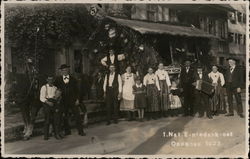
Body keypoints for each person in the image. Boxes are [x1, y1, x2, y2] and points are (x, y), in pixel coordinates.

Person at [54, 64, 86, 136]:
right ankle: (67, 131)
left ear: (68, 70)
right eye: (63, 70)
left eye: (66, 70)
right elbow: (54, 89)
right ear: (61, 71)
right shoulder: (58, 80)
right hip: (63, 101)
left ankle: (81, 131)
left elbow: (77, 91)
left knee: (77, 115)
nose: (65, 71)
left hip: (73, 100)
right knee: (65, 116)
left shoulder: (73, 79)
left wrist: (77, 99)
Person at [40, 76, 62, 140]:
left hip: (54, 103)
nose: (50, 81)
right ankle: (46, 135)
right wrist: (48, 102)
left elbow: (58, 96)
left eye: (52, 80)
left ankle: (57, 134)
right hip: (47, 103)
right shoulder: (44, 87)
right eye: (49, 79)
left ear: (53, 80)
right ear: (47, 80)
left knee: (56, 119)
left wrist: (58, 98)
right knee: (47, 119)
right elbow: (41, 98)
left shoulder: (55, 87)